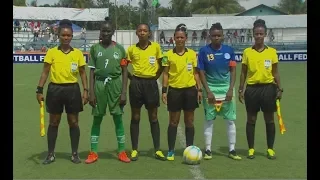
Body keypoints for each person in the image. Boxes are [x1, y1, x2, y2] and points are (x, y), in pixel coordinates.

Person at [36, 19, 88, 165]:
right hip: (55, 89)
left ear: (72, 36)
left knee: (73, 122)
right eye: (63, 35)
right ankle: (50, 154)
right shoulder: (52, 52)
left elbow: (83, 73)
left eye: (68, 35)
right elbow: (45, 72)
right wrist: (39, 90)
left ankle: (75, 154)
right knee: (54, 122)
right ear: (58, 36)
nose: (66, 38)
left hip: (72, 90)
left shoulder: (77, 53)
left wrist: (85, 90)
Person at [85, 17, 130, 164]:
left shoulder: (120, 49)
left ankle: (122, 151)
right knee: (97, 118)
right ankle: (93, 152)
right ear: (100, 32)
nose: (105, 33)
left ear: (113, 32)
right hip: (99, 85)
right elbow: (91, 72)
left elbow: (125, 72)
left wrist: (123, 92)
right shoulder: (94, 49)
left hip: (115, 85)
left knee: (117, 117)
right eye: (103, 31)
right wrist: (91, 92)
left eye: (108, 31)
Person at [238, 19, 283, 160]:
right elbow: (243, 72)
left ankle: (270, 149)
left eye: (261, 33)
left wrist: (279, 88)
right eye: (256, 33)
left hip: (268, 88)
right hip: (252, 89)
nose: (258, 36)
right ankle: (251, 149)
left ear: (265, 35)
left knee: (269, 119)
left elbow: (275, 72)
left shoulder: (272, 52)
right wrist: (241, 89)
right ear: (253, 34)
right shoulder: (247, 52)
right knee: (251, 119)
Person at [197, 23, 241, 160]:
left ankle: (232, 149)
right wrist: (208, 91)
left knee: (230, 120)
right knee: (209, 119)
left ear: (222, 36)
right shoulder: (204, 51)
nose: (216, 37)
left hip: (226, 89)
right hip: (210, 89)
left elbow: (233, 70)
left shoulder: (229, 50)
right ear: (209, 36)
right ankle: (208, 150)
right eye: (213, 35)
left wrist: (230, 89)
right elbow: (201, 72)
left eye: (219, 35)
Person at [162, 24, 202, 161]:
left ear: (186, 39)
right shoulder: (167, 55)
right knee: (173, 121)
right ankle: (171, 150)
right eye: (177, 37)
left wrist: (199, 89)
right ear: (173, 38)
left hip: (190, 91)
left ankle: (189, 148)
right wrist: (164, 91)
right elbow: (166, 74)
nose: (179, 39)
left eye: (182, 37)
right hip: (174, 91)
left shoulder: (192, 54)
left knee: (189, 121)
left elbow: (196, 73)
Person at [126, 23, 166, 161]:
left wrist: (156, 76)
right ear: (136, 33)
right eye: (140, 30)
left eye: (145, 30)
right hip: (136, 84)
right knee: (135, 117)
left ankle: (157, 149)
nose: (142, 32)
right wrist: (132, 78)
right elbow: (124, 66)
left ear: (149, 33)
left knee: (153, 117)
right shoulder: (131, 50)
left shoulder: (155, 47)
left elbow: (162, 63)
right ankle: (135, 150)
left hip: (151, 84)